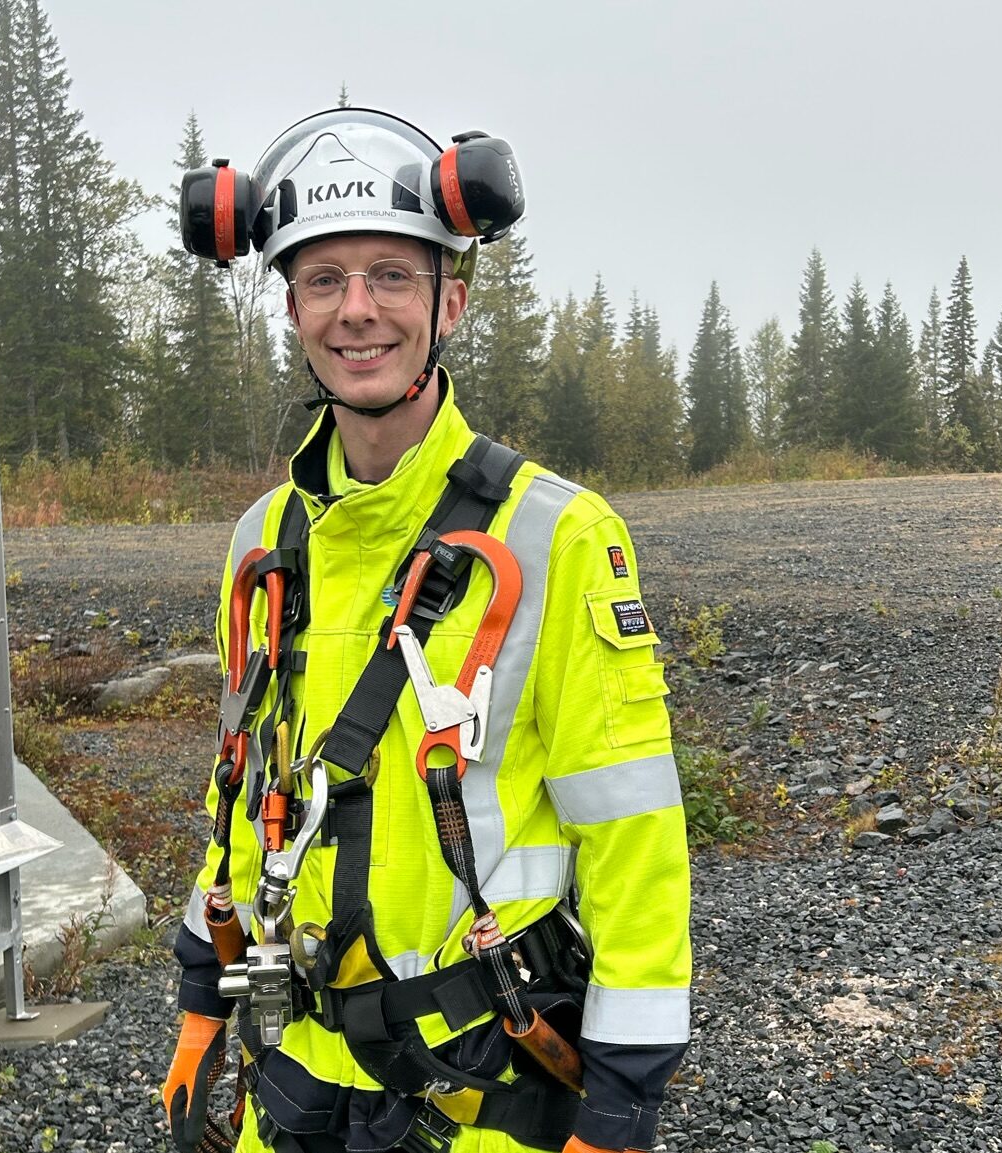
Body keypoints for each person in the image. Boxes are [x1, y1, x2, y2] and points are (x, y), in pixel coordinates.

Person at [162, 108, 690, 1153]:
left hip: (478, 1093)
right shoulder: (261, 542)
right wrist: (199, 991)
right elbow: (248, 792)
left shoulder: (555, 535)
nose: (357, 310)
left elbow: (632, 832)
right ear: (292, 308)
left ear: (452, 298)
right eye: (324, 279)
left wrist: (623, 1100)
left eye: (392, 275)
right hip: (294, 1085)